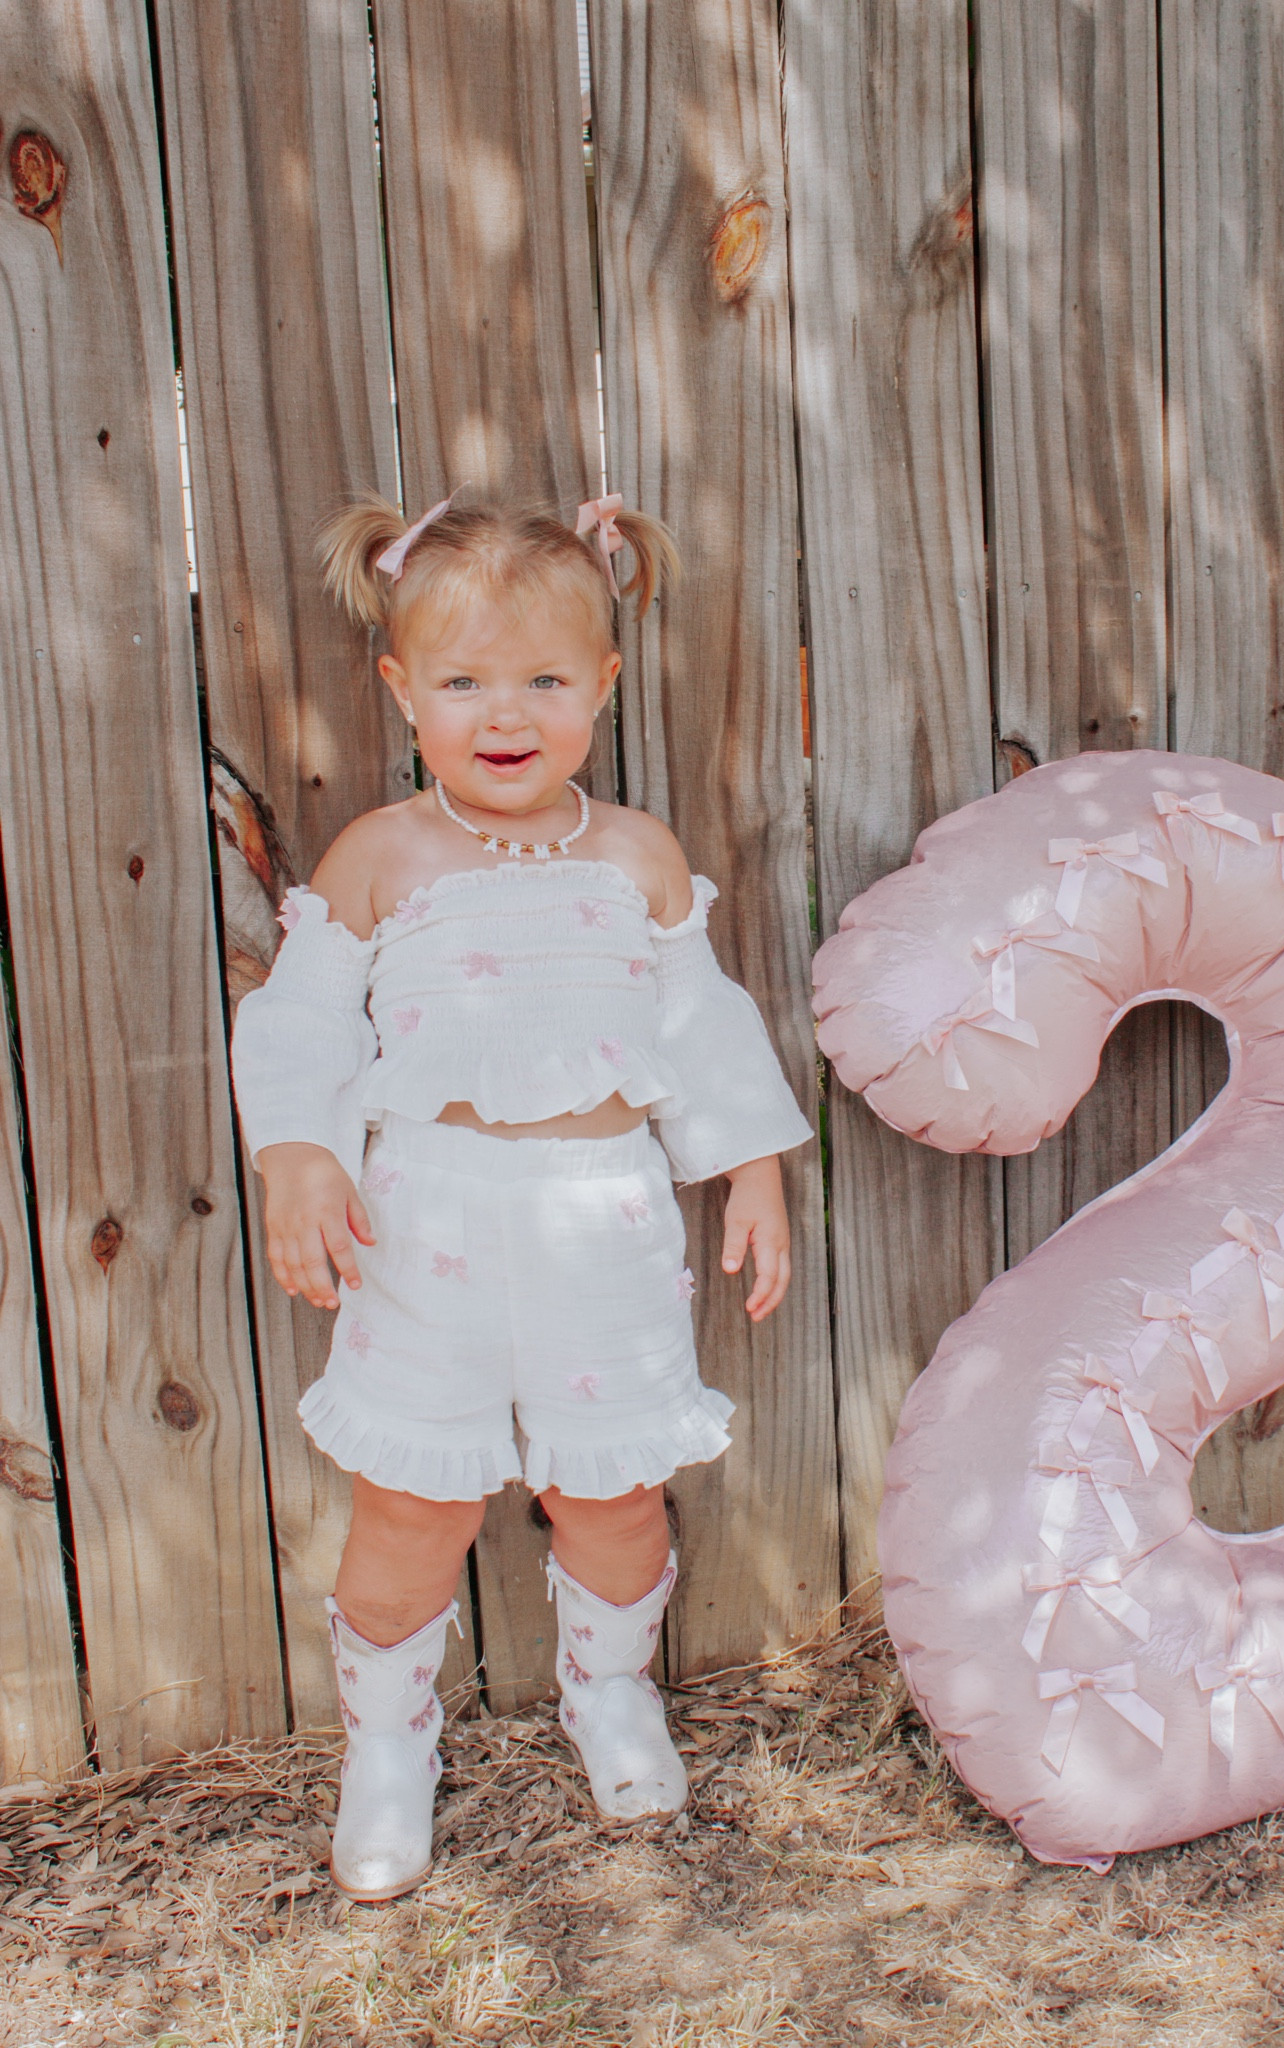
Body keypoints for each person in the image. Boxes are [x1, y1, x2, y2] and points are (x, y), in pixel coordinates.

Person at [230, 489, 811, 1902]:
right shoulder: (381, 856)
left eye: (547, 680)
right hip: (419, 1224)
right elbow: (301, 1023)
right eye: (465, 681)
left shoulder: (634, 855)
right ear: (401, 688)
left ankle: (611, 1692)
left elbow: (700, 1019)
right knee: (409, 1510)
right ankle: (387, 1741)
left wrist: (752, 1163)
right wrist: (296, 1150)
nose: (507, 713)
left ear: (603, 687)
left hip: (601, 1221)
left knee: (607, 1490)